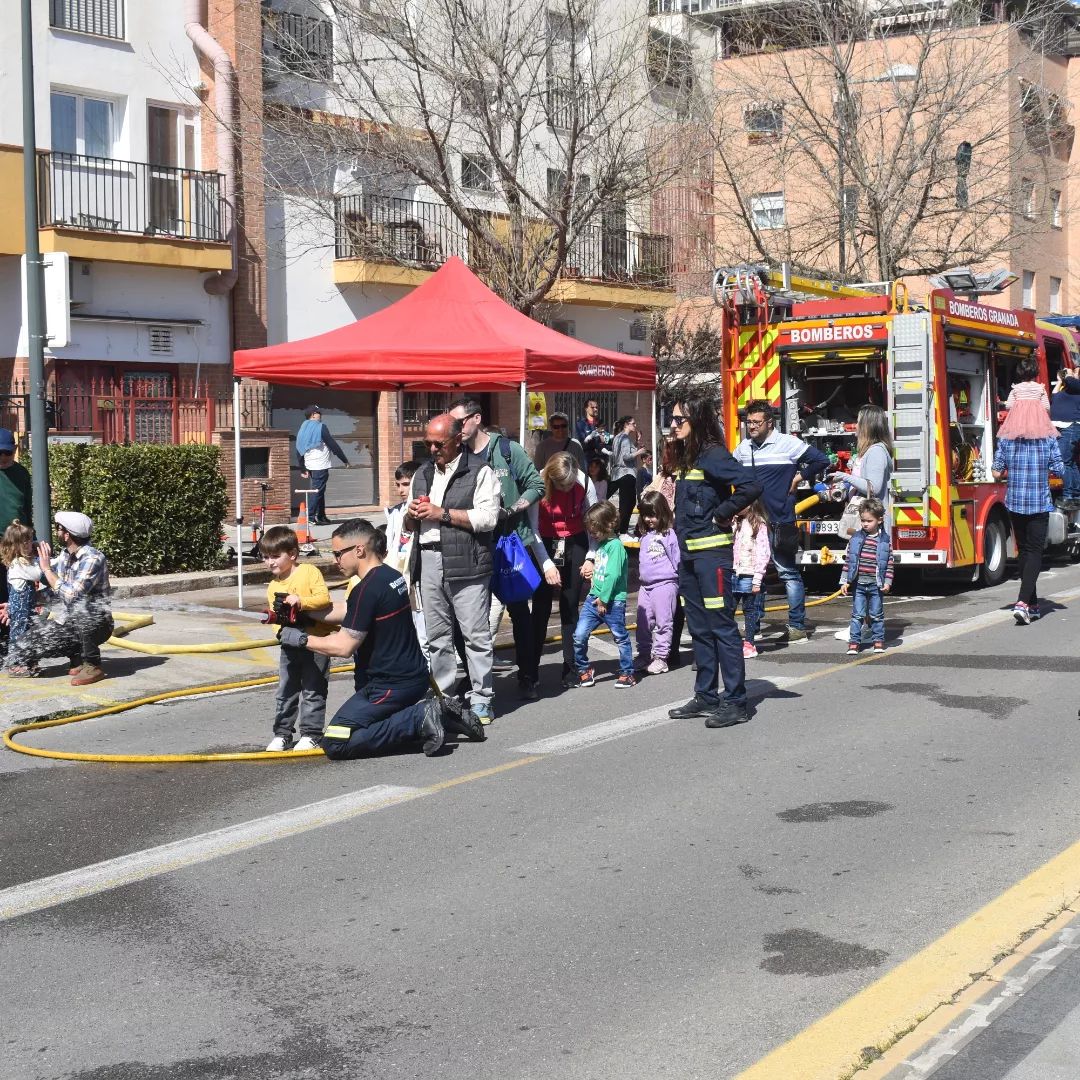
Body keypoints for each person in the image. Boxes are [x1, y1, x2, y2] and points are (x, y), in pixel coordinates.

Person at [280, 519, 481, 758]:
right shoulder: (389, 577)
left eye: (337, 554)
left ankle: (420, 717)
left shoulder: (367, 589)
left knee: (336, 740)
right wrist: (301, 609)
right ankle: (444, 717)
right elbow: (350, 610)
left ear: (359, 550)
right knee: (374, 728)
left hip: (388, 686)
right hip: (413, 679)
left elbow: (344, 646)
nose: (335, 561)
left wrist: (299, 639)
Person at [668, 397, 761, 728]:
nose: (674, 424)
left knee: (722, 627)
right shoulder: (688, 457)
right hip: (690, 557)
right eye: (672, 419)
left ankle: (735, 701)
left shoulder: (713, 454)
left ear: (697, 420)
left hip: (712, 557)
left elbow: (750, 486)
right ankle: (706, 696)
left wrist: (723, 513)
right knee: (700, 629)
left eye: (681, 419)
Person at [450, 397, 549, 700]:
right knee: (466, 617)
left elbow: (536, 485)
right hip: (473, 547)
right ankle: (473, 678)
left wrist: (512, 509)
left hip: (509, 546)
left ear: (476, 419)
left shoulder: (507, 449)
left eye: (460, 422)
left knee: (520, 612)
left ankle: (528, 676)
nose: (456, 429)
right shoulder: (457, 454)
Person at [406, 413, 500, 724]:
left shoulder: (480, 471)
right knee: (437, 636)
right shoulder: (422, 473)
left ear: (457, 440)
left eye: (438, 443)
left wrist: (441, 512)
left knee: (475, 634)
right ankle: (444, 695)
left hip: (467, 561)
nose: (432, 449)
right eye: (427, 443)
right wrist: (412, 515)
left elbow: (488, 519)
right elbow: (409, 525)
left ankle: (482, 697)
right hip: (429, 558)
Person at [733, 400, 830, 643]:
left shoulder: (788, 444)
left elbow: (821, 460)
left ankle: (797, 627)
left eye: (756, 422)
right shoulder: (743, 448)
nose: (751, 426)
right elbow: (732, 474)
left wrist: (798, 477)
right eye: (749, 422)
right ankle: (752, 627)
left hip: (780, 521)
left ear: (769, 422)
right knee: (753, 575)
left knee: (787, 573)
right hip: (753, 524)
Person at [7, 511, 113, 686]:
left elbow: (72, 595)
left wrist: (48, 570)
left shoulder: (93, 558)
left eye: (58, 528)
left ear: (67, 534)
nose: (55, 532)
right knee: (27, 643)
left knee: (83, 610)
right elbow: (51, 588)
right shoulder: (65, 555)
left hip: (97, 623)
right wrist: (14, 603)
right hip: (71, 622)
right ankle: (77, 656)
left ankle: (93, 664)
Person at [259, 525, 334, 752]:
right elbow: (278, 618)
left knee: (313, 689)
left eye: (275, 556)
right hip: (290, 645)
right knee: (286, 690)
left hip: (316, 642)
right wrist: (280, 632)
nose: (270, 562)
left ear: (292, 554)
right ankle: (282, 734)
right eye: (265, 557)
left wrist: (300, 601)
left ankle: (311, 734)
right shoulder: (273, 586)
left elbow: (324, 598)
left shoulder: (309, 572)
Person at [532, 452, 598, 689]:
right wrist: (546, 564)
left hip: (575, 540)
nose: (567, 488)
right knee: (541, 605)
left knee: (570, 605)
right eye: (562, 485)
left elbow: (593, 522)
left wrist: (591, 557)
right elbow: (532, 529)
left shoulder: (584, 483)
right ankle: (530, 670)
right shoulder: (537, 484)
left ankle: (572, 666)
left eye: (570, 484)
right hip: (545, 542)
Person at [992, 422, 1064, 625]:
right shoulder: (1048, 439)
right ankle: (1023, 602)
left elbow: (996, 472)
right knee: (1034, 551)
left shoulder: (1007, 438)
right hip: (1039, 502)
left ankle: (1032, 604)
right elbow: (1059, 469)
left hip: (1015, 502)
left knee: (1024, 550)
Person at [573, 501, 634, 689]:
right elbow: (602, 571)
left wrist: (604, 598)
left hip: (612, 601)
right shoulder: (601, 544)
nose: (592, 534)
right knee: (579, 635)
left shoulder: (615, 546)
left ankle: (627, 673)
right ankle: (584, 669)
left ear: (608, 525)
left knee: (620, 636)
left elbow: (613, 575)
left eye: (594, 531)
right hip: (594, 598)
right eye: (590, 530)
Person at [384, 460, 428, 659]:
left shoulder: (426, 509)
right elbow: (391, 545)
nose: (401, 489)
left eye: (406, 484)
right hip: (400, 577)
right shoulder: (394, 512)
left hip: (420, 578)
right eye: (398, 484)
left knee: (424, 636)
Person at [634, 489, 679, 675]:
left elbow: (676, 560)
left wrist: (678, 584)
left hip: (664, 584)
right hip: (645, 586)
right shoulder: (646, 536)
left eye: (652, 515)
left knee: (663, 622)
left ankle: (661, 658)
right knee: (643, 622)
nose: (648, 519)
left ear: (662, 513)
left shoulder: (669, 535)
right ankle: (644, 654)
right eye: (645, 515)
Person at [840, 498, 893, 655]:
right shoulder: (856, 538)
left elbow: (889, 563)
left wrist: (888, 582)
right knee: (857, 615)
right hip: (859, 584)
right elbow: (849, 561)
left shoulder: (884, 540)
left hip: (876, 584)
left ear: (879, 520)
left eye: (869, 521)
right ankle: (854, 643)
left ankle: (878, 641)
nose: (865, 524)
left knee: (877, 614)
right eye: (863, 520)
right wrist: (845, 581)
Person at [830, 404, 895, 532]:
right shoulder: (872, 450)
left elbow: (873, 487)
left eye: (859, 422)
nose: (856, 425)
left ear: (868, 426)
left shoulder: (876, 451)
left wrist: (845, 477)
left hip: (873, 529)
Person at [0, 427, 32, 644]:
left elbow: (27, 509)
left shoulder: (21, 474)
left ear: (14, 451)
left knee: (14, 591)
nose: (2, 457)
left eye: (7, 453)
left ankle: (11, 640)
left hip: (14, 542)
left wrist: (29, 542)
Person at [295, 405, 349, 525]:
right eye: (319, 412)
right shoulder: (320, 427)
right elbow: (332, 444)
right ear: (313, 414)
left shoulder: (303, 428)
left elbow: (299, 448)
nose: (321, 415)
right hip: (320, 465)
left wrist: (302, 467)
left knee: (319, 490)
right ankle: (310, 517)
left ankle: (321, 516)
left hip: (310, 465)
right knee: (317, 491)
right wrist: (344, 459)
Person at [731, 499, 771, 660]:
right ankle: (733, 641)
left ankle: (749, 643)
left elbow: (764, 552)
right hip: (734, 572)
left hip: (749, 573)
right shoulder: (736, 523)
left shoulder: (759, 525)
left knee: (749, 610)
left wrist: (757, 579)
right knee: (728, 610)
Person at [1, 522, 43, 676]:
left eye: (31, 539)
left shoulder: (24, 560)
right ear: (16, 545)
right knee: (19, 634)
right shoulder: (17, 564)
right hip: (20, 610)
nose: (31, 543)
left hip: (27, 607)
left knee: (31, 632)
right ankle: (15, 664)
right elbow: (38, 574)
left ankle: (29, 661)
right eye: (26, 541)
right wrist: (44, 556)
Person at [610, 416, 648, 539]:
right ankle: (622, 531)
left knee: (625, 503)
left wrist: (637, 442)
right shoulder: (625, 438)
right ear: (627, 424)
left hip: (618, 473)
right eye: (633, 423)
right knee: (628, 503)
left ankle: (620, 530)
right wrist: (640, 452)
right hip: (626, 473)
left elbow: (621, 455)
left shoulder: (618, 437)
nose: (635, 426)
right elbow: (626, 457)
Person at [1051, 366, 1080, 504]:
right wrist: (1059, 381)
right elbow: (1055, 395)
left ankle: (1069, 495)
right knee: (1071, 463)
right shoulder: (1069, 389)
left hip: (1071, 427)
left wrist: (1068, 375)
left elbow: (1073, 382)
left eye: (1076, 371)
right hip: (1064, 427)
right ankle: (1075, 494)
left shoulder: (1076, 386)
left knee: (1063, 461)